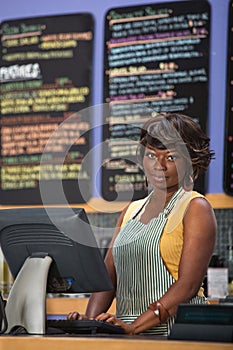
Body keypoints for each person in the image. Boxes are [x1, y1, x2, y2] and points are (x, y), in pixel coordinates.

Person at [68, 112, 217, 336]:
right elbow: (108, 279)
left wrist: (135, 326)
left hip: (176, 333)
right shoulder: (131, 210)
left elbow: (187, 287)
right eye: (151, 155)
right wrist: (89, 322)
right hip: (129, 332)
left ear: (189, 161)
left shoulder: (195, 207)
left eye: (171, 157)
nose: (159, 165)